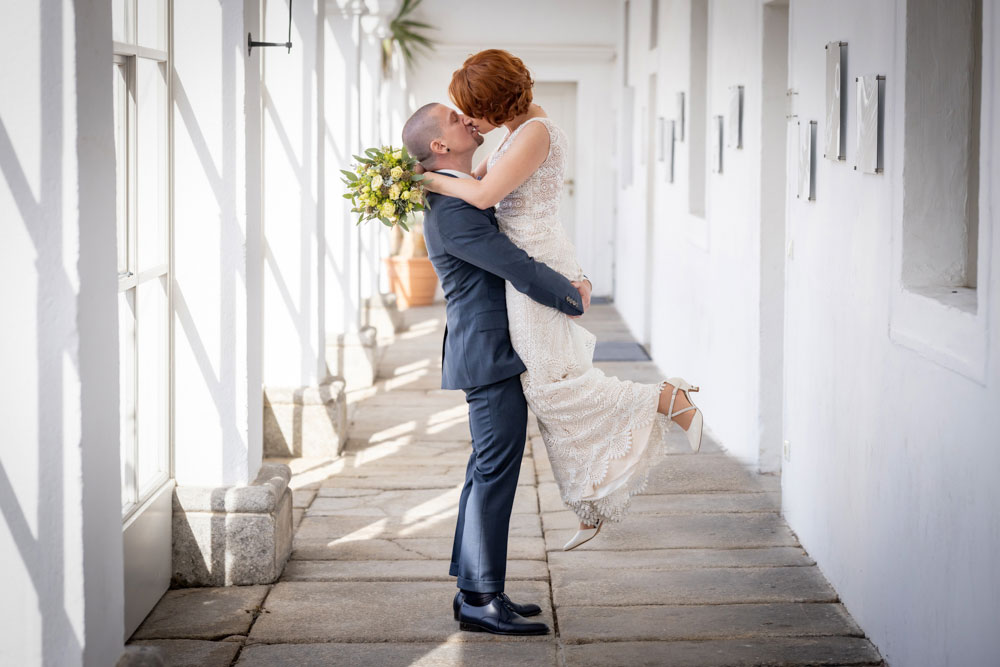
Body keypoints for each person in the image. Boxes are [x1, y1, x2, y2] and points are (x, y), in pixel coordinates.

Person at [419, 49, 705, 552]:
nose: (469, 119)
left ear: (497, 103)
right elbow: (480, 183)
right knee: (551, 382)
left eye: (473, 108)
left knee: (552, 384)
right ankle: (589, 498)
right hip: (531, 260)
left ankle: (663, 400)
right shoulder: (516, 133)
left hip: (534, 265)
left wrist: (419, 178)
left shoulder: (537, 133)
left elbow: (482, 199)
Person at [401, 102, 592, 636]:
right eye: (455, 120)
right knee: (493, 472)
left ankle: (476, 590)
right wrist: (571, 295)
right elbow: (514, 264)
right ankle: (482, 598)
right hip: (487, 352)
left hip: (491, 347)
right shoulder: (454, 209)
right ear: (440, 147)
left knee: (485, 469)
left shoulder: (459, 190)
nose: (468, 121)